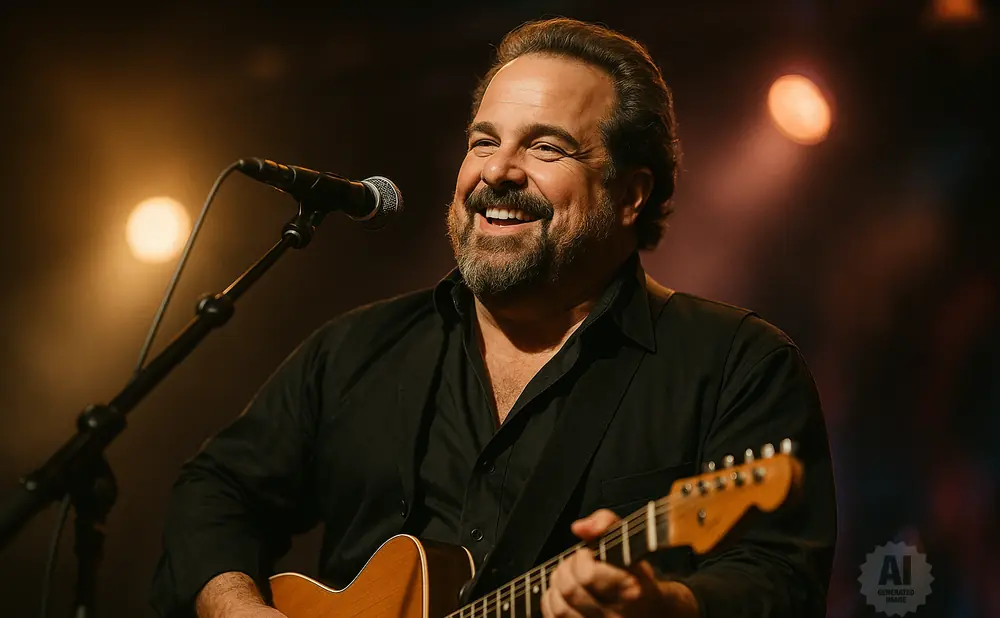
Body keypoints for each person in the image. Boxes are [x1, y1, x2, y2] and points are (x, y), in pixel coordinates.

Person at [149, 17, 837, 618]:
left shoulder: (737, 366)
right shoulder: (358, 349)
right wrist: (236, 608)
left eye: (546, 147)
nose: (497, 171)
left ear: (630, 194)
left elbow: (780, 581)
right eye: (483, 141)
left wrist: (668, 607)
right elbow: (216, 491)